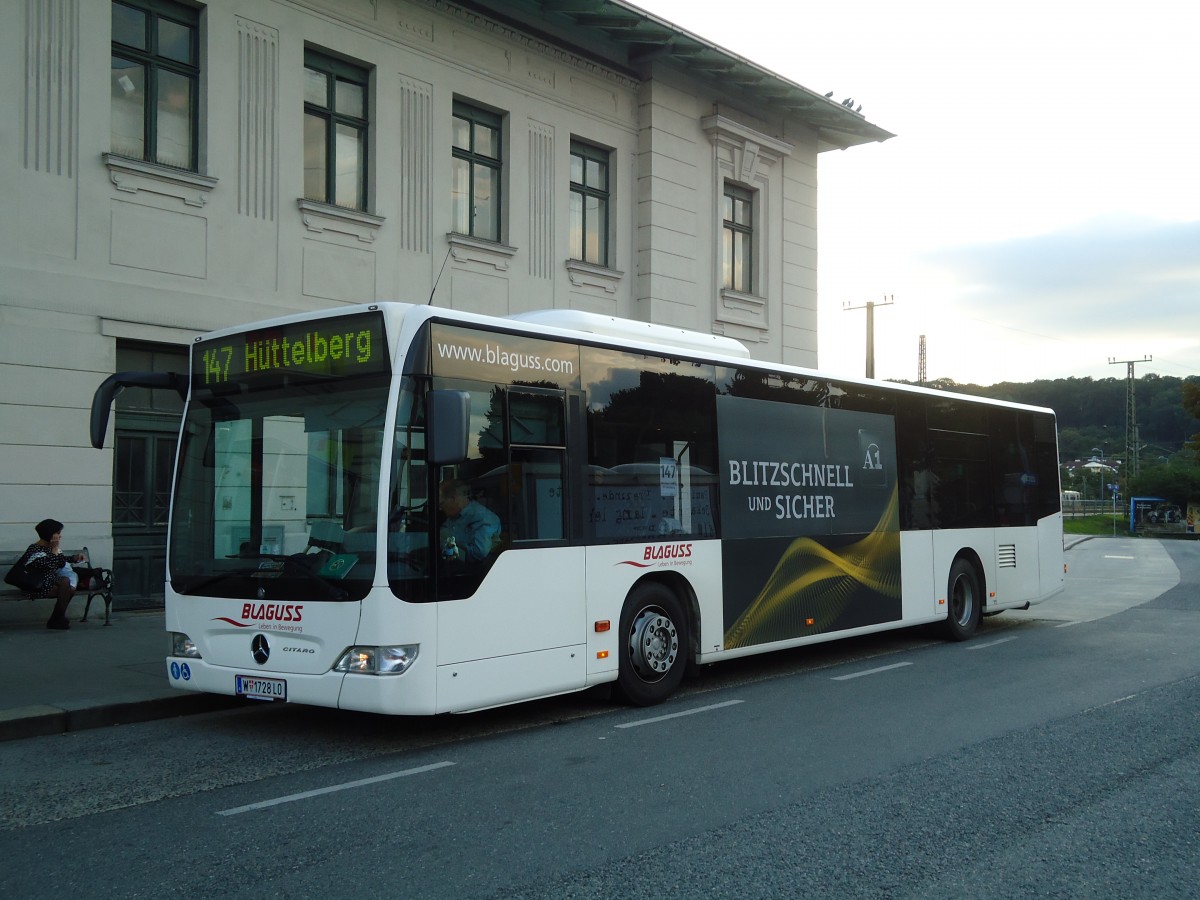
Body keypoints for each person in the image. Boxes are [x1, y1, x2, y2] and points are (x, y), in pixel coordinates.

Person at [18, 518, 84, 630]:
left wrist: (74, 558)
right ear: (50, 534)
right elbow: (48, 566)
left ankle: (56, 619)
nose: (60, 536)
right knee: (66, 584)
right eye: (58, 533)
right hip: (34, 585)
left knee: (68, 586)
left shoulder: (51, 548)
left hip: (47, 583)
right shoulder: (34, 549)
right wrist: (54, 550)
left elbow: (61, 562)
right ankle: (57, 619)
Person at [438, 479, 501, 563]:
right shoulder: (452, 517)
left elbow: (479, 555)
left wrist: (449, 544)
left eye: (442, 503)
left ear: (453, 499)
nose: (440, 508)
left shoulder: (482, 518)